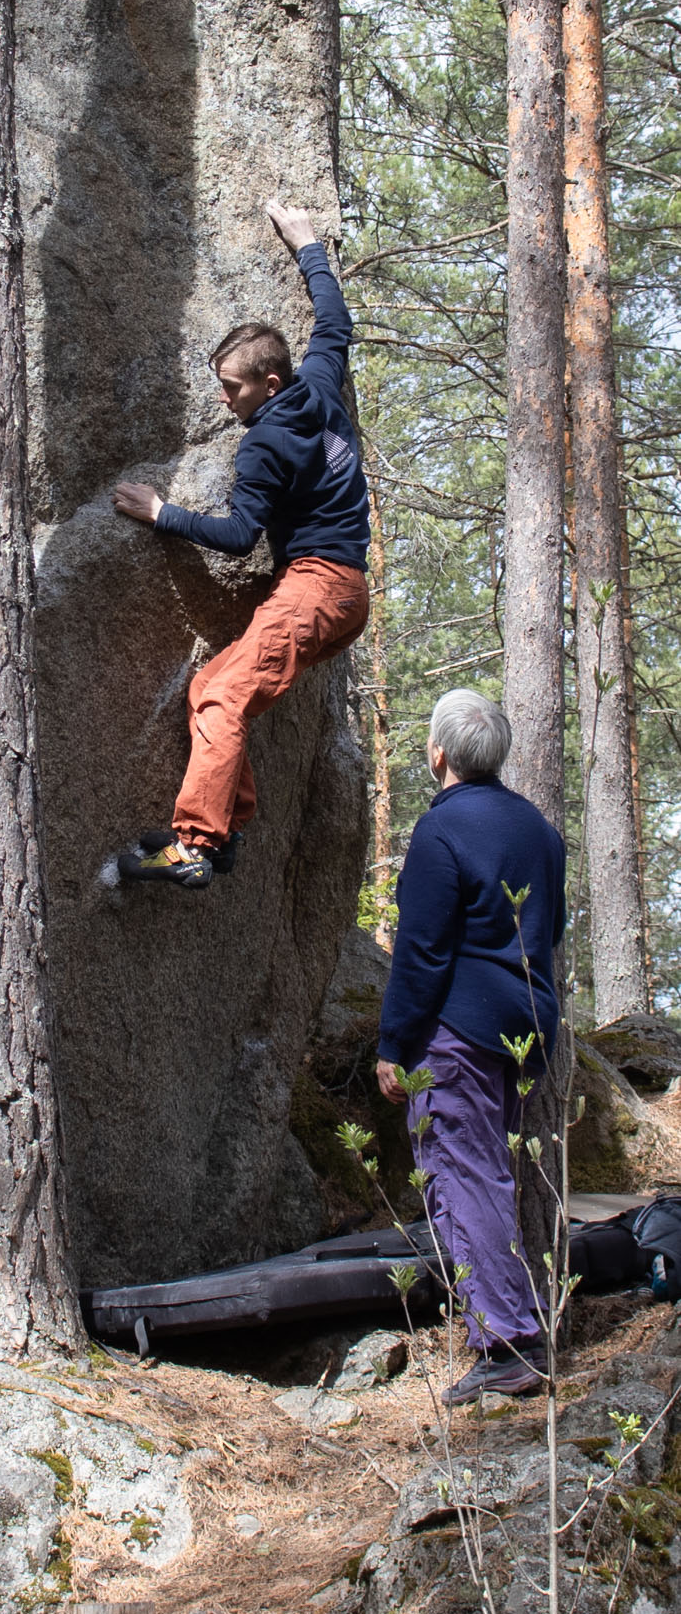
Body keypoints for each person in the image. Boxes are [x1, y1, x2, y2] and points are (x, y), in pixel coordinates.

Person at [109, 200, 372, 888]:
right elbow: (334, 323)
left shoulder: (262, 449)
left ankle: (195, 846)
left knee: (222, 699)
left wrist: (162, 512)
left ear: (268, 383)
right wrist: (307, 243)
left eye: (232, 388)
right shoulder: (319, 385)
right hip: (339, 591)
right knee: (211, 689)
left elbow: (237, 537)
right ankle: (227, 826)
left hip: (316, 588)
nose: (224, 400)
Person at [376, 690, 566, 1404]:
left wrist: (394, 1044)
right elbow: (550, 930)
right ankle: (505, 1325)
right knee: (490, 1171)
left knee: (464, 1172)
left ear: (439, 755)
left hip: (459, 1030)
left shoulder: (441, 833)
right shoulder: (540, 831)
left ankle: (509, 1341)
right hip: (526, 1028)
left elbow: (421, 953)